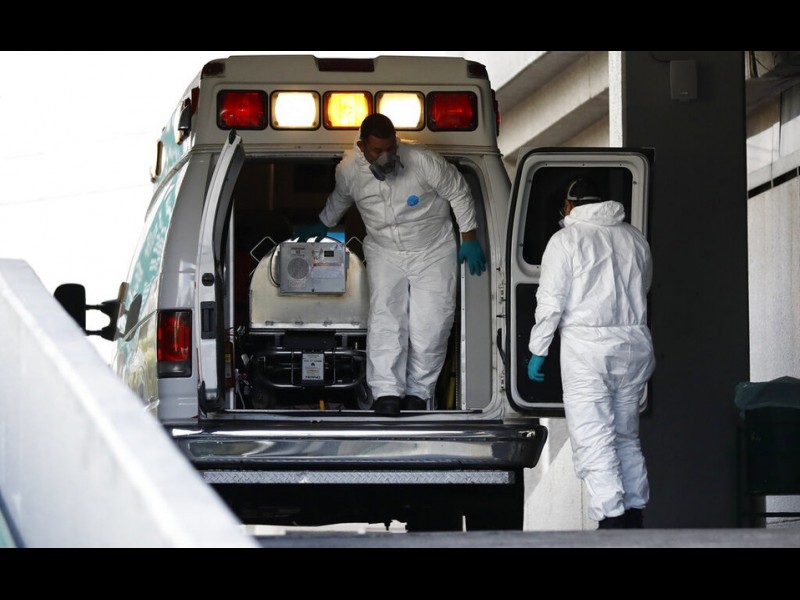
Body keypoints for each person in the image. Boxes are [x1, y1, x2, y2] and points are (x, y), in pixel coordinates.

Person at [297, 113, 486, 416]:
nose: (386, 156)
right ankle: (387, 393)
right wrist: (323, 222)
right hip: (385, 252)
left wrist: (469, 239)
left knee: (432, 323)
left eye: (390, 149)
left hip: (432, 250)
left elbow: (458, 191)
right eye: (377, 150)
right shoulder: (349, 171)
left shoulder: (423, 161)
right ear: (362, 147)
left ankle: (418, 392)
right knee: (386, 319)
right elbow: (341, 198)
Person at [526, 176, 655, 529]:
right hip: (634, 347)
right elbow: (644, 287)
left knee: (593, 436)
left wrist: (538, 349)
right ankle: (633, 514)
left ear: (569, 206)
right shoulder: (635, 238)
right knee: (626, 435)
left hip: (587, 352)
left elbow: (551, 302)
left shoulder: (565, 241)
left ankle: (612, 519)